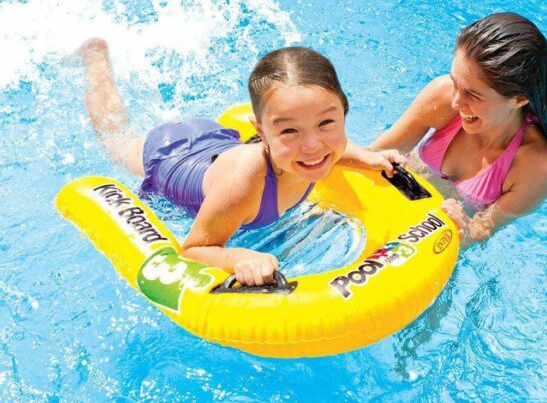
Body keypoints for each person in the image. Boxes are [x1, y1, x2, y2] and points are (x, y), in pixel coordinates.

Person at [77, 39, 401, 285]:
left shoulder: (316, 149)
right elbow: (192, 249)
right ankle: (95, 58)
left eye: (326, 123)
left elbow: (333, 148)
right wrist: (238, 257)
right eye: (289, 130)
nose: (313, 145)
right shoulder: (245, 183)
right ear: (261, 131)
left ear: (343, 112)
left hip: (215, 142)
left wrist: (368, 157)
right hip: (172, 155)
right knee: (116, 141)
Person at [371, 12, 547, 246]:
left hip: (434, 241)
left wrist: (464, 229)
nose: (455, 103)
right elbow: (373, 154)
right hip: (398, 193)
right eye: (455, 82)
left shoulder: (539, 166)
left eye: (473, 95)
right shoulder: (443, 95)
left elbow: (483, 230)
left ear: (519, 99)